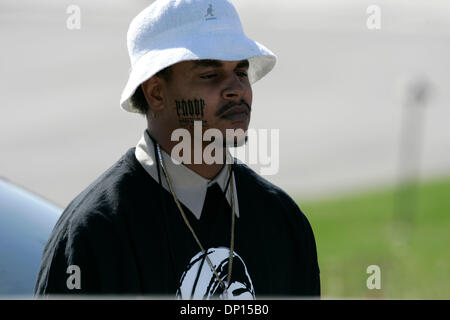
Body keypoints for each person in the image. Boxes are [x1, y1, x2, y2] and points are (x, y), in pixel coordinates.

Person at [34, 0, 320, 299]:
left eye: (241, 71)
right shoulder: (95, 233)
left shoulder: (282, 221)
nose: (236, 88)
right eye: (210, 74)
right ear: (156, 92)